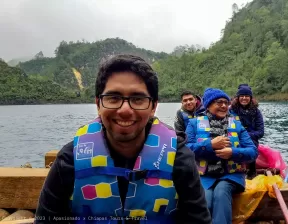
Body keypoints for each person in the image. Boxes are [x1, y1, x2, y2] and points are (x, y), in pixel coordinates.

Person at [34, 54, 211, 224]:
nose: (125, 109)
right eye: (113, 98)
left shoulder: (179, 159)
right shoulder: (70, 160)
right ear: (98, 104)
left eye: (138, 98)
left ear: (153, 107)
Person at [185, 88, 258, 224]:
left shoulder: (236, 124)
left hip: (231, 175)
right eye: (219, 102)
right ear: (208, 105)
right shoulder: (194, 124)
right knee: (205, 202)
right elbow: (185, 150)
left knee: (221, 192)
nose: (224, 106)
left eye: (226, 102)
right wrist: (209, 145)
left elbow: (253, 152)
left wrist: (233, 153)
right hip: (203, 176)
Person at [229, 84, 264, 178]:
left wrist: (246, 135)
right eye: (242, 96)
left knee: (251, 143)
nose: (244, 98)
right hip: (234, 136)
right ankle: (233, 168)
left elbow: (260, 132)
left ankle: (252, 171)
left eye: (247, 96)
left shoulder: (256, 112)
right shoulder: (231, 111)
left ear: (250, 97)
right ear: (238, 97)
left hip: (250, 138)